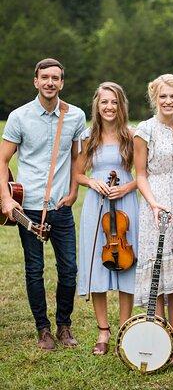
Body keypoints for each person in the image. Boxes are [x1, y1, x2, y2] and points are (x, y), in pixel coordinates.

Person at [0, 58, 86, 350]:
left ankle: (64, 326)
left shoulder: (75, 116)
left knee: (70, 269)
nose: (50, 82)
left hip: (60, 208)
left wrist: (74, 192)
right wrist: (6, 197)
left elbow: (78, 158)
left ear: (62, 83)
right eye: (45, 77)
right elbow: (2, 160)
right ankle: (43, 329)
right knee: (34, 270)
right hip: (29, 207)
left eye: (56, 78)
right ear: (36, 81)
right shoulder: (19, 117)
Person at [134, 73, 173, 363]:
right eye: (163, 96)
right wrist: (154, 203)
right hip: (156, 201)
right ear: (154, 98)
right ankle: (161, 340)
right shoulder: (144, 130)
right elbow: (141, 174)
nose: (169, 101)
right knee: (159, 275)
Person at [75, 82, 139, 355]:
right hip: (97, 206)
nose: (109, 107)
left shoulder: (132, 135)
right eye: (104, 102)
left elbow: (145, 175)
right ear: (97, 105)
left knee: (128, 264)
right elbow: (77, 174)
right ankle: (103, 330)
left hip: (126, 205)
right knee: (96, 267)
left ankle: (124, 327)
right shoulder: (88, 136)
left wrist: (126, 186)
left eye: (114, 102)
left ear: (121, 105)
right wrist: (91, 182)